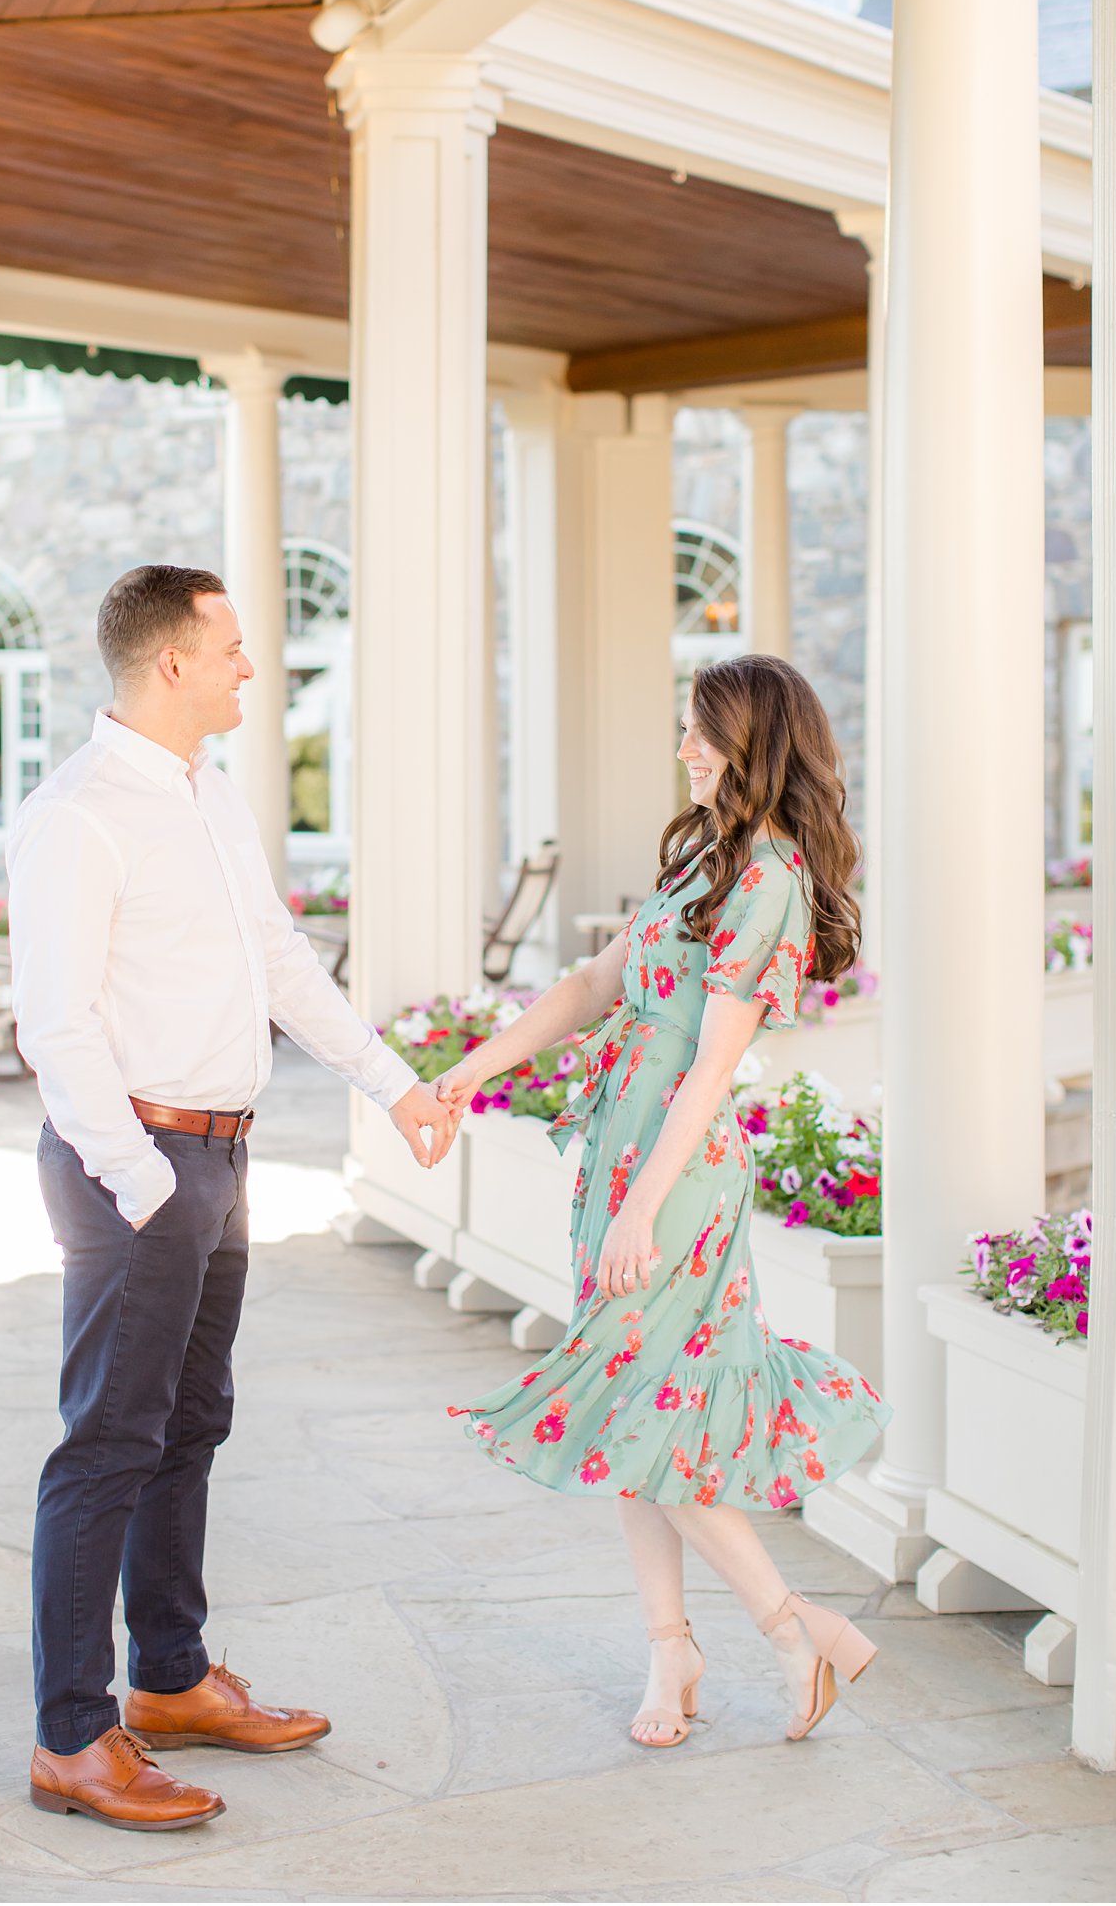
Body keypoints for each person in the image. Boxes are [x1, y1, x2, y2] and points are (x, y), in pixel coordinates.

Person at [8, 563, 457, 1832]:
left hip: (221, 1157)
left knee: (190, 1422)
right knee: (106, 1444)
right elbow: (56, 1023)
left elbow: (280, 963)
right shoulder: (78, 814)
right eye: (232, 650)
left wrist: (394, 1085)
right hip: (136, 1168)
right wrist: (145, 1182)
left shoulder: (209, 799)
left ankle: (169, 1677)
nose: (249, 669)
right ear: (170, 664)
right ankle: (71, 1737)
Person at [438, 655, 889, 1749]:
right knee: (629, 1413)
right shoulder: (704, 861)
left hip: (673, 1177)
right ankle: (670, 1648)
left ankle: (795, 1634)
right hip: (621, 1159)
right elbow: (591, 988)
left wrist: (642, 1207)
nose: (683, 750)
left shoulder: (770, 879)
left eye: (701, 734)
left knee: (644, 1406)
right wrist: (467, 1073)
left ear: (753, 746)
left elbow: (709, 1068)